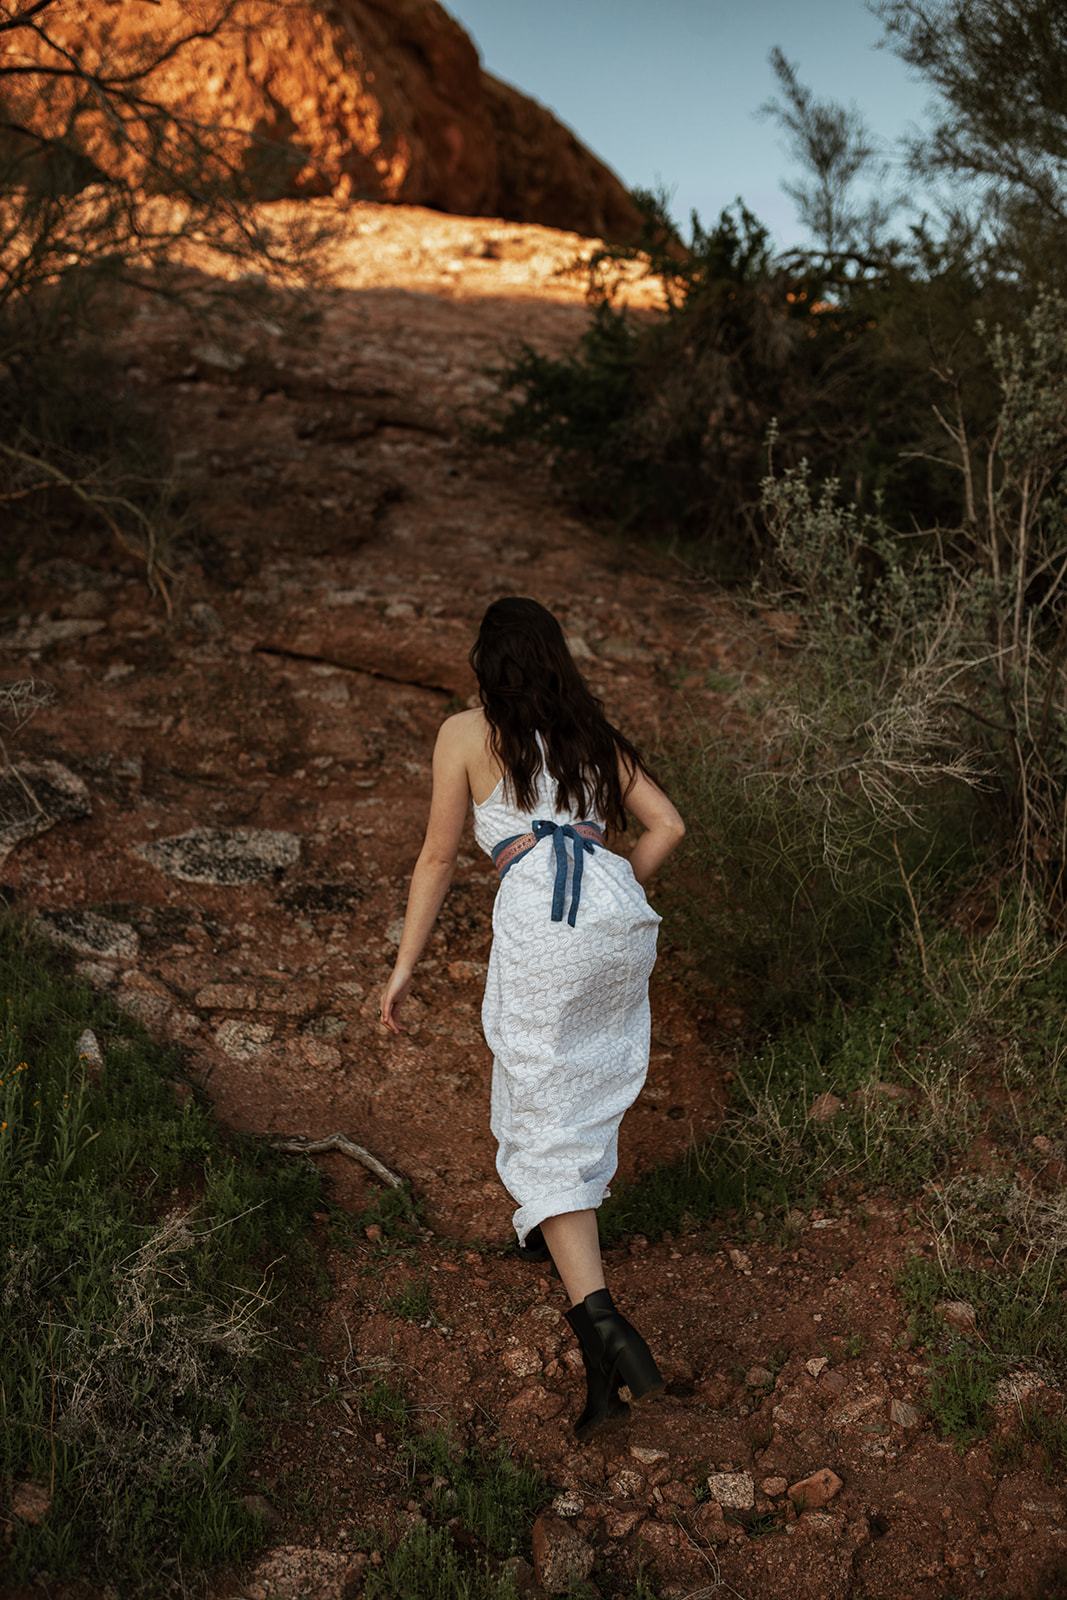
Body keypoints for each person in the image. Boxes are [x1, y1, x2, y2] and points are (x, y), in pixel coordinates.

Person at [379, 597, 686, 1439]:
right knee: (568, 1095)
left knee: (543, 1113)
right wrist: (612, 889)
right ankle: (599, 1371)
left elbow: (438, 856)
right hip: (615, 918)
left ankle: (603, 1318)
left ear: (487, 666)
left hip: (543, 928)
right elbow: (668, 826)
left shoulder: (464, 734)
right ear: (554, 659)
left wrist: (403, 968)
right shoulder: (592, 732)